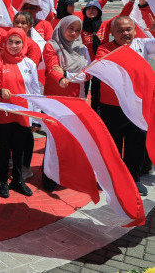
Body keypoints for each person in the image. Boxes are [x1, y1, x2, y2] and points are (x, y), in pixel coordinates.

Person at [95, 16, 155, 196]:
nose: (125, 33)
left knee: (136, 143)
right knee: (113, 144)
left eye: (128, 29)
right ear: (112, 33)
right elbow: (102, 68)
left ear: (135, 31)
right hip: (112, 106)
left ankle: (133, 178)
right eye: (120, 31)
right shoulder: (104, 49)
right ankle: (112, 178)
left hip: (137, 104)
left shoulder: (142, 45)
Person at [0, 28, 41, 198]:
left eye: (18, 42)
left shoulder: (29, 64)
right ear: (5, 43)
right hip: (4, 114)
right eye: (10, 41)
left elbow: (35, 91)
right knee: (4, 149)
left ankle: (17, 180)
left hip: (23, 114)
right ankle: (2, 181)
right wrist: (0, 92)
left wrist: (36, 116)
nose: (14, 46)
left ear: (24, 43)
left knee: (19, 149)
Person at [43, 16, 91, 98]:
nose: (73, 33)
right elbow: (53, 67)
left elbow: (88, 75)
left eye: (77, 30)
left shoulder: (82, 48)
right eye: (70, 28)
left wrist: (66, 74)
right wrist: (61, 79)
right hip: (54, 95)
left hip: (76, 94)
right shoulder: (51, 46)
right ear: (62, 27)